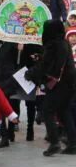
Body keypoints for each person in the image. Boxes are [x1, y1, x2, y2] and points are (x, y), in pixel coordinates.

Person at [26, 20, 76, 156]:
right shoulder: (63, 43)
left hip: (59, 85)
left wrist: (31, 73)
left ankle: (54, 143)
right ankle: (72, 143)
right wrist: (41, 57)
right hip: (69, 83)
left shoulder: (54, 45)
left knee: (47, 110)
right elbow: (51, 61)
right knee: (64, 112)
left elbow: (48, 66)